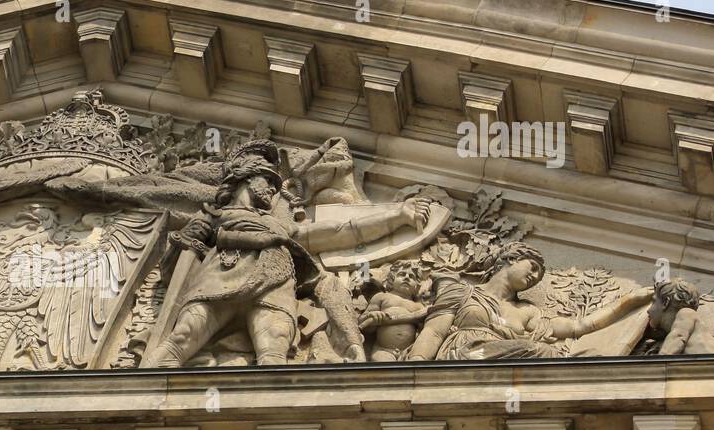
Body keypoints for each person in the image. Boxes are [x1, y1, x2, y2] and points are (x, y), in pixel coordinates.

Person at [146, 140, 432, 367]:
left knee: (275, 351)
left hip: (274, 283)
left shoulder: (281, 228)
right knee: (182, 339)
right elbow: (179, 261)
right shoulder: (215, 215)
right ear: (245, 179)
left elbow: (342, 230)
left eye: (275, 184)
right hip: (221, 277)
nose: (272, 190)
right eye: (267, 181)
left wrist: (398, 216)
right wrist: (189, 240)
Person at [409, 243, 653, 361]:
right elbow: (433, 331)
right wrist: (415, 370)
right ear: (509, 259)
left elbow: (580, 327)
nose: (534, 277)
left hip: (503, 361)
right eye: (533, 267)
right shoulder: (462, 292)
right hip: (466, 355)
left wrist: (628, 301)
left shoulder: (526, 312)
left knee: (590, 358)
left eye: (538, 277)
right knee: (543, 351)